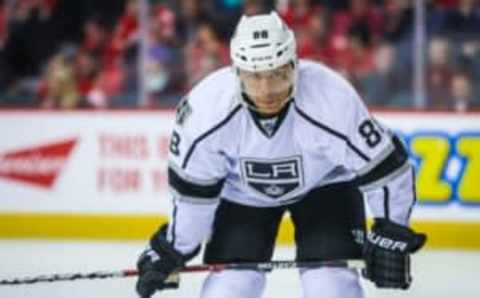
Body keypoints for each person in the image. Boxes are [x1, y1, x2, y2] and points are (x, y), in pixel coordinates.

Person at [135, 11, 426, 298]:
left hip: (326, 186)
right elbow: (193, 193)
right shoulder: (205, 111)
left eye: (277, 74)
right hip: (243, 194)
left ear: (294, 65)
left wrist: (391, 231)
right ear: (236, 73)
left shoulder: (331, 98)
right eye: (255, 76)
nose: (266, 90)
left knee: (330, 287)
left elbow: (386, 168)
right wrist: (173, 248)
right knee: (230, 289)